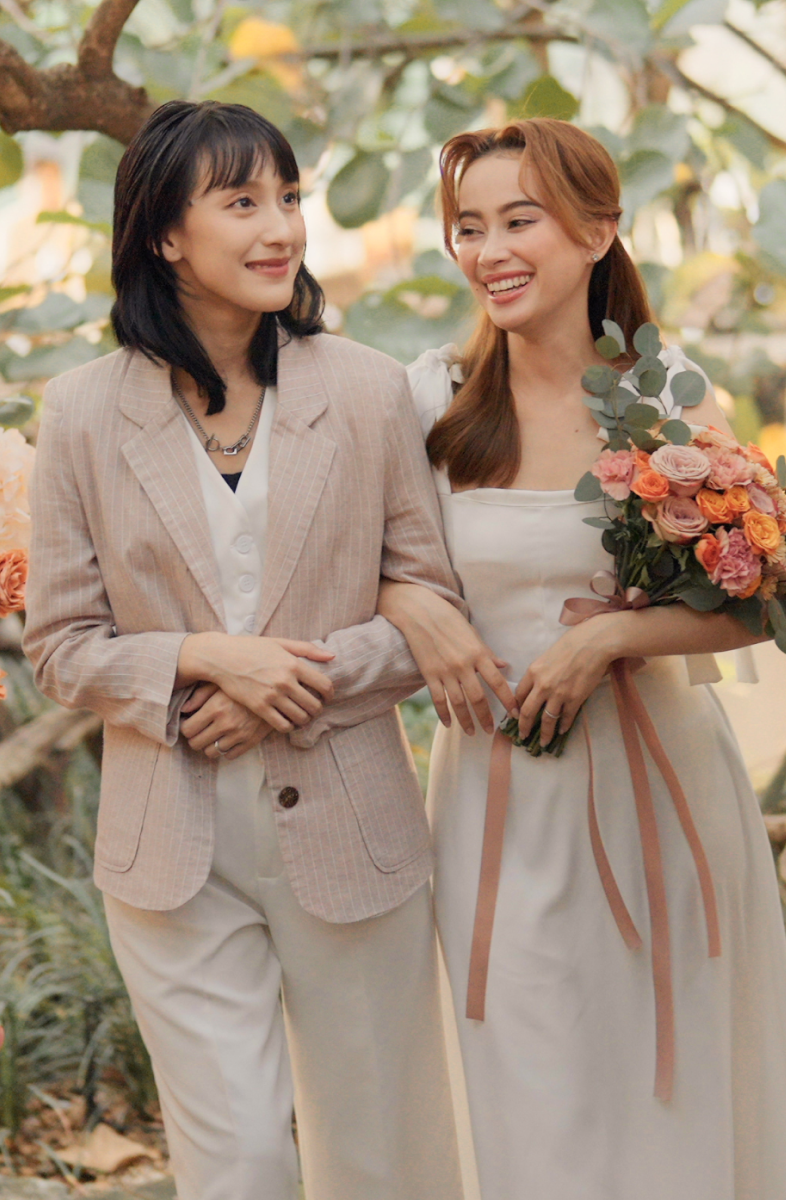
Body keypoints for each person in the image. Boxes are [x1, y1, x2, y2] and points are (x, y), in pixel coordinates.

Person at [377, 117, 786, 1198]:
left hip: (661, 798)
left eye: (519, 221)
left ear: (597, 231)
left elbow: (766, 605)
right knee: (528, 1084)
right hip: (498, 800)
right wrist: (414, 602)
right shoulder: (429, 398)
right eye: (469, 227)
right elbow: (357, 564)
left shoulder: (665, 397)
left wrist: (615, 638)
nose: (489, 250)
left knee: (666, 1087)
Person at [22, 101, 463, 1200]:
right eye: (243, 202)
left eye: (289, 199)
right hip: (170, 845)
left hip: (353, 825)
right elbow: (63, 646)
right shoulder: (79, 412)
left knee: (383, 1155)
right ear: (165, 235)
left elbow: (428, 608)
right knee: (242, 1163)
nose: (281, 228)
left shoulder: (367, 392)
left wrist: (290, 687)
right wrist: (202, 663)